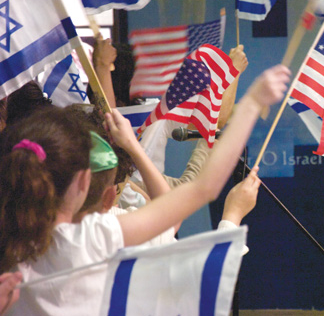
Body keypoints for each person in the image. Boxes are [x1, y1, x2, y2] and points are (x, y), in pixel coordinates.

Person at [0, 65, 289, 315]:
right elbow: (203, 189)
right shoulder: (92, 238)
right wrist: (252, 102)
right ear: (84, 183)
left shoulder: (11, 238)